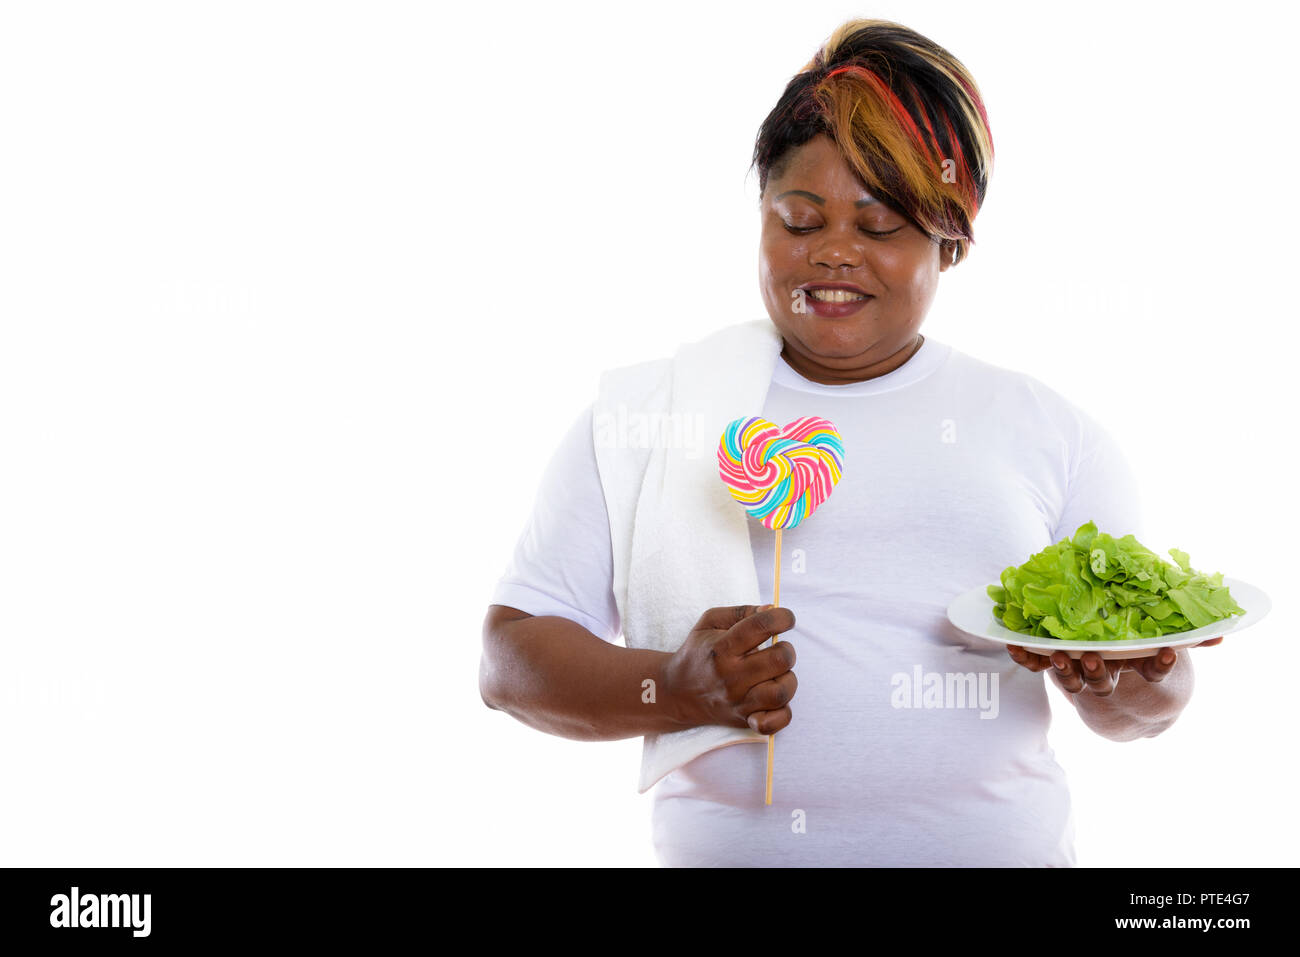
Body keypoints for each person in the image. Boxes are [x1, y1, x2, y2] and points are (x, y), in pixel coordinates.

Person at [478, 17, 1220, 866]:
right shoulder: (654, 412)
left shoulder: (1049, 431)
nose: (832, 254)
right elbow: (510, 658)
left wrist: (1126, 675)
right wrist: (675, 687)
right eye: (800, 220)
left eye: (878, 228)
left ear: (951, 239)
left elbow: (1149, 714)